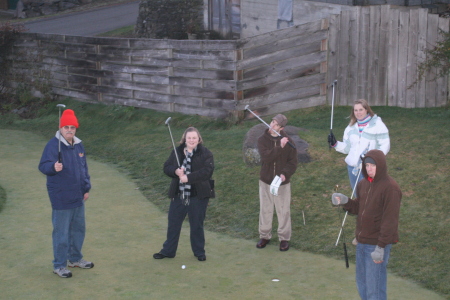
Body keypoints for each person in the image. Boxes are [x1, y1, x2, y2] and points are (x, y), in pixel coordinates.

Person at [331, 149, 402, 300]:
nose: (369, 169)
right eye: (367, 165)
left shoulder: (391, 188)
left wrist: (381, 246)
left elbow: (390, 221)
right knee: (362, 283)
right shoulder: (363, 184)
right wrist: (345, 201)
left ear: (381, 165)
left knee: (374, 288)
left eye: (373, 165)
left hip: (376, 245)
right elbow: (358, 207)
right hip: (362, 242)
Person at [38, 109, 93, 278]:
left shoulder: (78, 144)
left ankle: (75, 259)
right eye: (66, 127)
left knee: (78, 230)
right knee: (61, 232)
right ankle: (59, 265)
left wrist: (86, 188)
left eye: (72, 127)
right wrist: (53, 167)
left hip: (78, 195)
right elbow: (43, 166)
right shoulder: (53, 145)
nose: (69, 130)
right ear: (61, 128)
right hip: (61, 196)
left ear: (76, 129)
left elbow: (83, 169)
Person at [153, 127, 214, 261]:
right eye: (189, 138)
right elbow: (166, 167)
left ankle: (199, 252)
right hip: (179, 195)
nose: (192, 140)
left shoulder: (206, 153)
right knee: (173, 223)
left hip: (199, 195)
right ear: (184, 139)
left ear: (199, 139)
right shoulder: (177, 152)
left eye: (194, 138)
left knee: (196, 225)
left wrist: (189, 177)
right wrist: (176, 171)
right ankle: (168, 251)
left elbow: (207, 172)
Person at [328, 99, 390, 196]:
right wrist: (335, 144)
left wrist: (371, 158)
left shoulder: (377, 125)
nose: (358, 112)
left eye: (360, 109)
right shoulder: (351, 127)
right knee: (357, 195)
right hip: (352, 168)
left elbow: (385, 146)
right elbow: (347, 148)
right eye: (355, 110)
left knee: (369, 196)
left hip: (369, 168)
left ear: (367, 110)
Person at [256, 114, 298, 251]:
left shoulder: (289, 142)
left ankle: (284, 238)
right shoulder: (262, 140)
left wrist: (285, 174)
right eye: (272, 122)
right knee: (265, 210)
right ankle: (265, 235)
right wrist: (280, 147)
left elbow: (292, 163)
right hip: (265, 181)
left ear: (281, 128)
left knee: (283, 211)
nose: (272, 126)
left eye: (276, 124)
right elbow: (267, 158)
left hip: (282, 183)